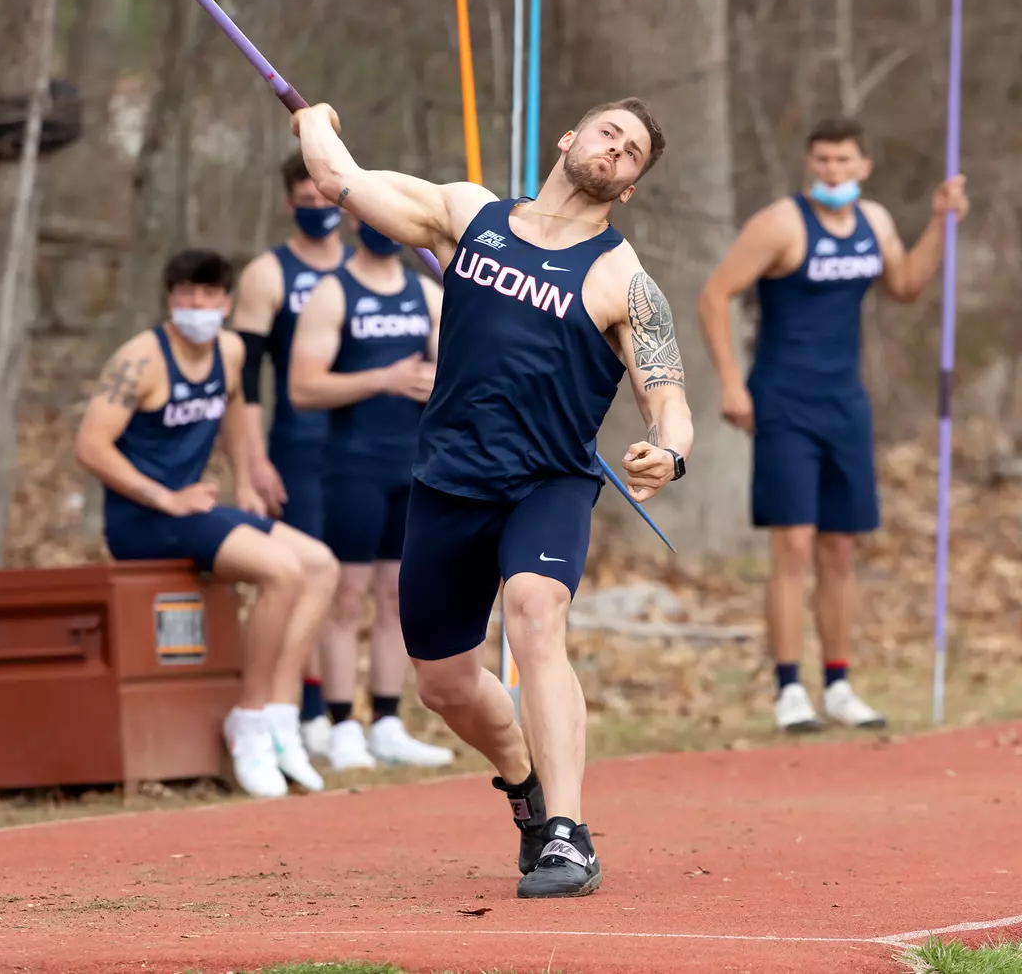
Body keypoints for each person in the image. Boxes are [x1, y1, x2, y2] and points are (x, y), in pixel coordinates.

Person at [292, 96, 694, 899]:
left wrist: (671, 452)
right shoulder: (467, 214)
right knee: (442, 685)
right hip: (448, 482)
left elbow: (669, 395)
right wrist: (315, 116)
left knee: (536, 613)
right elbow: (340, 178)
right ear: (570, 137)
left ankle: (568, 837)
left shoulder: (624, 278)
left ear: (629, 189)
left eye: (633, 153)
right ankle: (523, 781)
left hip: (547, 481)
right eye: (608, 132)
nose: (615, 150)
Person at [696, 117, 967, 734]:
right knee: (792, 546)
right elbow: (715, 294)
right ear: (808, 164)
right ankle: (790, 688)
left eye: (844, 161)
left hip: (845, 403)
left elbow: (904, 286)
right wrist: (733, 383)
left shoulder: (874, 222)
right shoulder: (781, 224)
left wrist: (941, 222)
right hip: (783, 401)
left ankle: (840, 683)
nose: (832, 172)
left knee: (840, 549)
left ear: (863, 166)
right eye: (821, 160)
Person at [74, 248, 338, 800]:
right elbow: (91, 447)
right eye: (185, 295)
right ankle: (248, 717)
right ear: (170, 300)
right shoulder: (140, 359)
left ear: (225, 302)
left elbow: (237, 408)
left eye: (208, 296)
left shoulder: (232, 350)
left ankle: (281, 717)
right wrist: (164, 498)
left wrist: (247, 476)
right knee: (282, 573)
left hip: (194, 508)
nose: (196, 305)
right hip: (143, 520)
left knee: (320, 565)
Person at [286, 219, 455, 770]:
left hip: (413, 468)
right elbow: (303, 387)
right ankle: (341, 726)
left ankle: (386, 719)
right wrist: (380, 379)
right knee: (345, 595)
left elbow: (461, 372)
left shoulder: (424, 292)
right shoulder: (333, 293)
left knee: (393, 598)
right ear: (358, 224)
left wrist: (442, 384)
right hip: (351, 466)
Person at [231, 153, 354, 754]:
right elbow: (243, 379)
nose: (316, 213)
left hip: (370, 450)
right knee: (307, 575)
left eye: (324, 202)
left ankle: (348, 715)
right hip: (298, 446)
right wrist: (253, 461)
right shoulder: (267, 275)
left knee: (358, 584)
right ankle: (298, 710)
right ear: (289, 203)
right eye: (304, 204)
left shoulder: (369, 264)